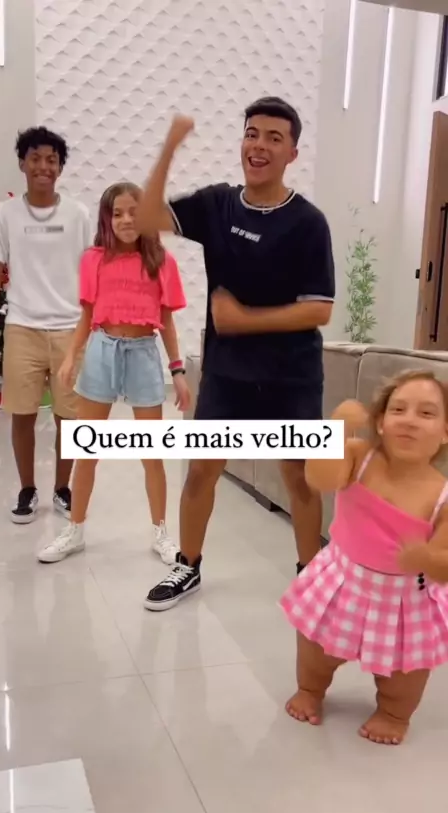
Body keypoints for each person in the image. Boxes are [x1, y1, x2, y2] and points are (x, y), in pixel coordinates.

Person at [136, 96, 336, 611]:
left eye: (274, 137)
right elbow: (148, 216)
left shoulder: (308, 222)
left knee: (299, 476)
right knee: (202, 469)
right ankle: (188, 565)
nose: (259, 145)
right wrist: (171, 145)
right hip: (228, 373)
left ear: (292, 153)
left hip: (291, 374)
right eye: (252, 134)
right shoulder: (218, 204)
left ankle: (311, 575)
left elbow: (319, 309)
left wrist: (245, 320)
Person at [280, 370, 448, 746]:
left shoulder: (442, 496)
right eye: (398, 409)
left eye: (426, 413)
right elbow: (319, 479)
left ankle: (393, 713)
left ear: (445, 432)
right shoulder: (360, 456)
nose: (409, 419)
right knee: (314, 648)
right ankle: (310, 689)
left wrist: (427, 558)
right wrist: (337, 430)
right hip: (343, 580)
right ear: (381, 422)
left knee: (406, 673)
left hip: (405, 600)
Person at [37, 181, 190, 564]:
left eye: (133, 213)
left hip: (143, 355)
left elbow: (167, 322)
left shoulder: (161, 261)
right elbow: (87, 315)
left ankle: (161, 533)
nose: (125, 220)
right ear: (106, 219)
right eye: (117, 213)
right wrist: (71, 358)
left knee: (152, 453)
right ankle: (75, 530)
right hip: (102, 351)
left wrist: (177, 370)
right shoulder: (94, 259)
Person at [0, 126, 92, 523]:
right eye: (35, 158)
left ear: (60, 167)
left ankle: (62, 488)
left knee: (68, 418)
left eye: (51, 160)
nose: (44, 166)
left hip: (70, 329)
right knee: (22, 415)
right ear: (23, 164)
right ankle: (27, 488)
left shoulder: (78, 214)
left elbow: (91, 273)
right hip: (22, 327)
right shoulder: (5, 214)